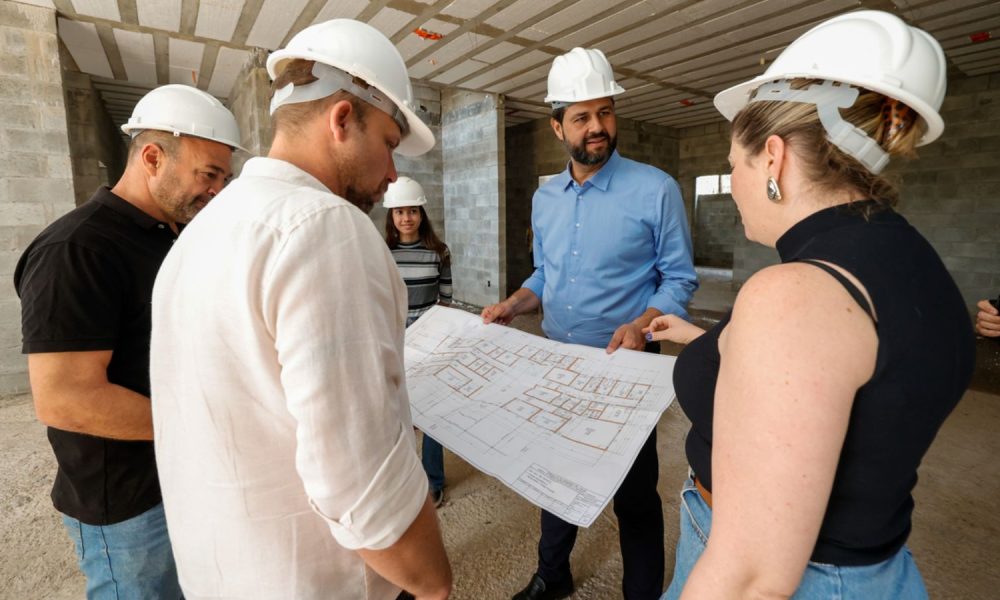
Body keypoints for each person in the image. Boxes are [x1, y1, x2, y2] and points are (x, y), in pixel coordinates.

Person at [644, 11, 975, 599]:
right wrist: (704, 339)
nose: (735, 182)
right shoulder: (910, 260)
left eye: (733, 165)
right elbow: (851, 375)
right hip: (879, 571)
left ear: (772, 159)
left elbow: (749, 578)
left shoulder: (794, 294)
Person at [148, 19, 451, 600]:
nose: (393, 176)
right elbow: (358, 480)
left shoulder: (202, 229)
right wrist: (436, 582)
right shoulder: (324, 229)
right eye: (389, 144)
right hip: (311, 580)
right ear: (342, 120)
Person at [482, 47, 698, 600]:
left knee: (633, 492)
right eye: (581, 117)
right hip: (558, 361)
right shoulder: (545, 197)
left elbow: (678, 280)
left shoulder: (655, 189)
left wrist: (643, 321)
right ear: (558, 126)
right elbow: (548, 275)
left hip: (626, 363)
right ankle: (552, 576)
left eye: (605, 112)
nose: (597, 127)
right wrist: (514, 303)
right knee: (555, 477)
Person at [13, 84, 241, 599]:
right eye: (208, 174)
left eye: (224, 178)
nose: (217, 191)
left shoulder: (169, 237)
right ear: (153, 157)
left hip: (180, 478)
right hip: (127, 505)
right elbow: (65, 398)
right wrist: (203, 427)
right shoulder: (77, 249)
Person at [384, 175, 453, 507]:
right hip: (393, 339)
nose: (406, 218)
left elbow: (446, 300)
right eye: (399, 211)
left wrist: (439, 337)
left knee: (433, 413)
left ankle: (433, 481)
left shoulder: (438, 252)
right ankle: (401, 479)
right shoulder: (382, 253)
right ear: (391, 216)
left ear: (422, 214)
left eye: (413, 211)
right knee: (397, 410)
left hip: (430, 339)